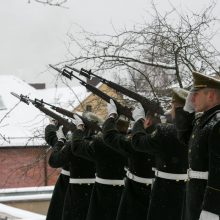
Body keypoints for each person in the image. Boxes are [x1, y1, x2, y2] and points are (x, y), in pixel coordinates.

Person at [131, 88, 188, 220]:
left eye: (172, 106)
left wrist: (139, 120)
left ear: (175, 107)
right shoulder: (196, 127)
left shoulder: (164, 131)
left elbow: (138, 142)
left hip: (165, 192)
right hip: (187, 191)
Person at [176, 71, 220, 220]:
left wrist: (212, 209)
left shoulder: (217, 123)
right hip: (196, 195)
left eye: (196, 93)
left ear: (211, 95)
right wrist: (186, 111)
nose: (191, 98)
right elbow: (184, 138)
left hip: (206, 200)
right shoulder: (204, 120)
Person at [101, 99, 155, 220]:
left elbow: (109, 136)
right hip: (158, 194)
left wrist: (112, 115)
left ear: (147, 121)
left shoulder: (134, 143)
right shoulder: (163, 138)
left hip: (135, 193)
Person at [71, 113, 127, 220]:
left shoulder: (100, 143)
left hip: (103, 192)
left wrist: (79, 129)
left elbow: (77, 147)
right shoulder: (129, 141)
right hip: (125, 191)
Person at [49, 124, 96, 220]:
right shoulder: (99, 144)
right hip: (95, 191)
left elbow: (54, 161)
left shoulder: (71, 146)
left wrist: (60, 141)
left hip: (76, 191)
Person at [44, 122, 70, 220]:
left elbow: (50, 135)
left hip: (66, 185)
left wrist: (52, 124)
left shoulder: (68, 146)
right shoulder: (92, 144)